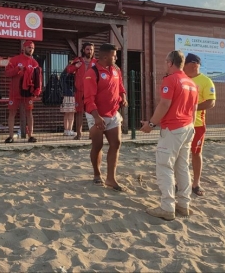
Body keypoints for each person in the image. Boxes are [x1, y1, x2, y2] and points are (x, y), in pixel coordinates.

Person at [140, 50, 199, 221]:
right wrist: (192, 127)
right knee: (182, 167)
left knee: (164, 166)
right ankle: (184, 204)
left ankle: (167, 207)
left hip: (173, 128)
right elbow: (194, 109)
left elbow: (164, 104)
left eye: (166, 61)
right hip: (187, 126)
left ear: (170, 63)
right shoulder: (191, 83)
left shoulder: (171, 80)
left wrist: (151, 124)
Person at [83, 43, 127, 190]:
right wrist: (96, 117)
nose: (116, 57)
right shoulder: (92, 72)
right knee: (98, 145)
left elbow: (120, 87)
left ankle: (111, 178)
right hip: (96, 114)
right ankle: (97, 174)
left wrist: (123, 97)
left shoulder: (116, 70)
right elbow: (88, 98)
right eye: (114, 55)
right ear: (105, 57)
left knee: (116, 143)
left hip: (113, 113)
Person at [183, 53, 216, 197]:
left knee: (196, 153)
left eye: (184, 64)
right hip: (180, 123)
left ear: (193, 65)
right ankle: (182, 182)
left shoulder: (206, 81)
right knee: (180, 154)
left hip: (197, 124)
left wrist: (192, 108)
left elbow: (211, 102)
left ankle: (196, 183)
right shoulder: (181, 78)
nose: (182, 67)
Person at [4, 40, 41, 143]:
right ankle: (10, 136)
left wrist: (37, 90)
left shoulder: (34, 63)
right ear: (24, 48)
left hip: (28, 92)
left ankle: (31, 135)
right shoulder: (15, 60)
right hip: (14, 92)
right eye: (29, 47)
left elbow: (38, 78)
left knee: (29, 112)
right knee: (12, 112)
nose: (31, 49)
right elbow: (7, 73)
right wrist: (17, 69)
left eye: (33, 48)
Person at [65, 42, 97, 140]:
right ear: (83, 50)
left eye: (91, 49)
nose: (89, 51)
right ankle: (79, 134)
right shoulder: (78, 60)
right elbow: (69, 70)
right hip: (79, 90)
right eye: (87, 49)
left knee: (92, 113)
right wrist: (76, 66)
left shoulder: (96, 62)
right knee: (79, 112)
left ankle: (92, 134)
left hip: (92, 91)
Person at [59, 67, 76, 136]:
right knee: (71, 113)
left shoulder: (63, 75)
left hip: (65, 95)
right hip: (72, 95)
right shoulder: (73, 74)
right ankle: (69, 129)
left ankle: (66, 130)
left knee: (66, 113)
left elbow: (61, 83)